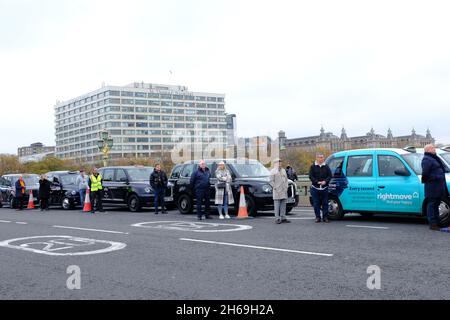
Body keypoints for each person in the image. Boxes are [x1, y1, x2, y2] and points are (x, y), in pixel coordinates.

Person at [421, 144, 448, 231]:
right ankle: (432, 223)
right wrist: (436, 177)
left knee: (436, 204)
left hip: (438, 185)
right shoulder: (427, 159)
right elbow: (425, 174)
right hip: (432, 186)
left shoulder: (433, 158)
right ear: (428, 150)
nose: (434, 149)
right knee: (432, 204)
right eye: (433, 148)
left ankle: (437, 222)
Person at [309, 153, 332, 223]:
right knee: (316, 203)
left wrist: (325, 181)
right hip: (315, 188)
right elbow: (311, 176)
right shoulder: (313, 166)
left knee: (325, 203)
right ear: (316, 158)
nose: (321, 159)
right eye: (319, 157)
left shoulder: (326, 166)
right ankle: (317, 217)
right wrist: (317, 182)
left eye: (322, 157)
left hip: (324, 188)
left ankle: (325, 217)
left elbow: (330, 175)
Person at [270, 158, 290, 224]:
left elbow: (286, 179)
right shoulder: (272, 171)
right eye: (278, 162)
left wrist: (286, 187)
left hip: (284, 190)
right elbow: (271, 181)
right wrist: (275, 187)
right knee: (277, 205)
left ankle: (283, 217)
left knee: (283, 204)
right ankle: (277, 218)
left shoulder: (283, 170)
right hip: (277, 190)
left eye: (280, 162)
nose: (280, 164)